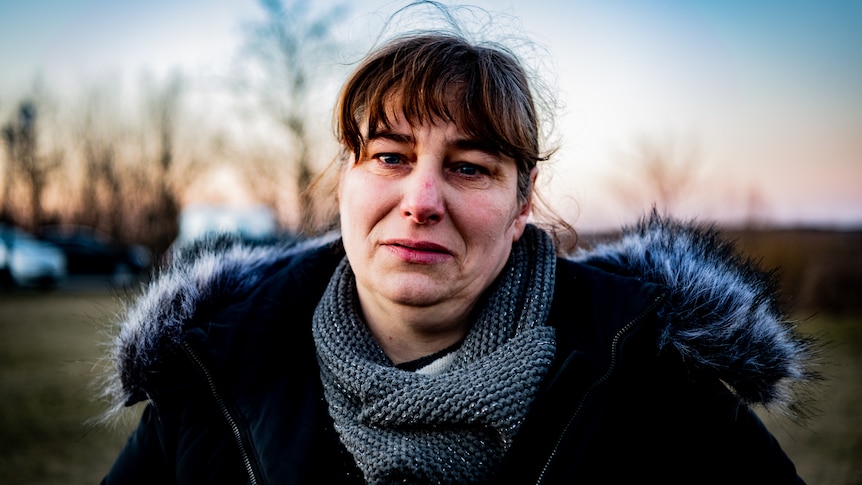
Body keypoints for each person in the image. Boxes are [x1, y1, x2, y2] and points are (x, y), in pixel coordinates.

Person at [98, 8, 819, 485]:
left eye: (470, 166)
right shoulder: (214, 367)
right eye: (389, 156)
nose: (421, 199)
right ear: (344, 182)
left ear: (521, 205)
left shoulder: (657, 379)